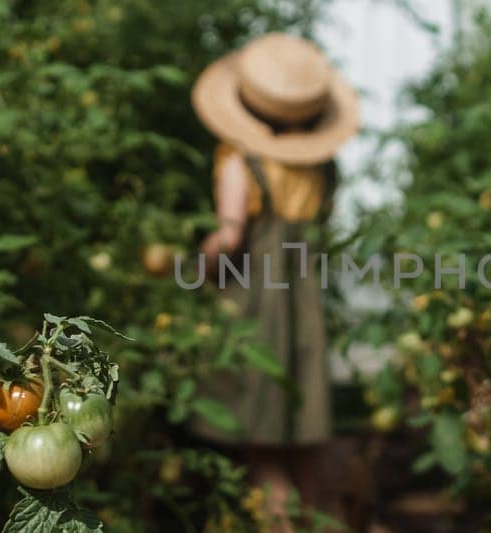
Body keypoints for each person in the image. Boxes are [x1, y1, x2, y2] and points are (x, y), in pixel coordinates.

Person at [190, 33, 359, 526]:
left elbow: (229, 235)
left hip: (254, 306)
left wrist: (197, 267)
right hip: (304, 309)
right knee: (303, 441)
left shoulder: (241, 160)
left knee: (261, 443)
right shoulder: (322, 168)